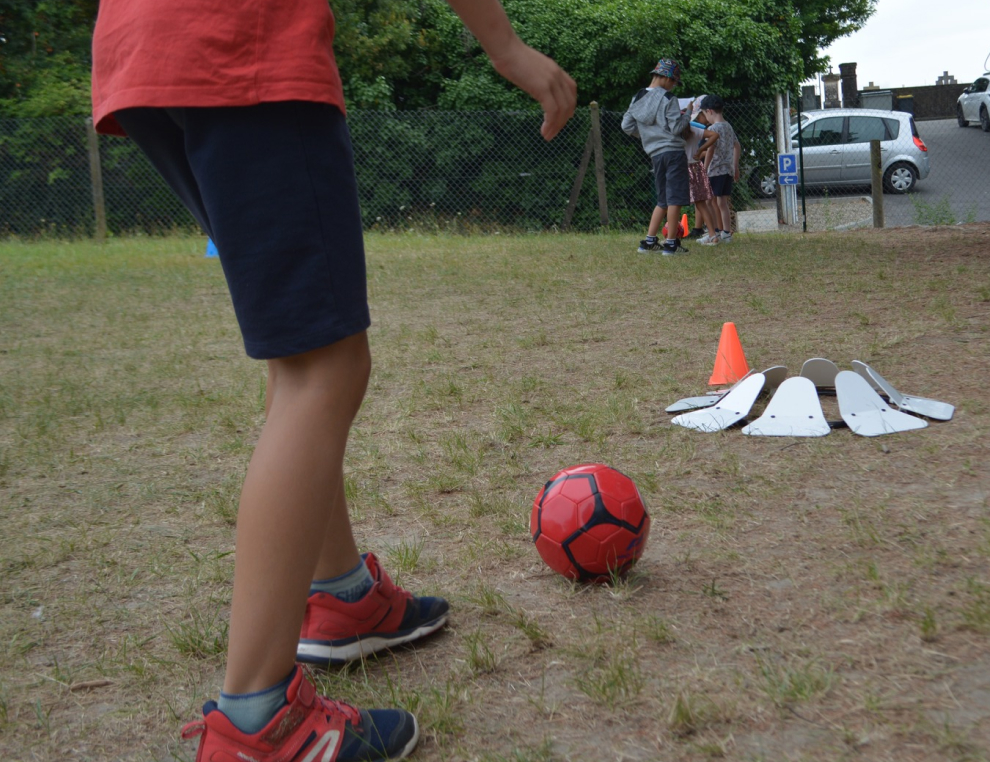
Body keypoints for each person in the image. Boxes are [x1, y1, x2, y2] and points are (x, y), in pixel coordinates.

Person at [90, 1, 575, 760]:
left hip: (146, 50)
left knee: (301, 351)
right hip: (243, 42)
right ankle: (257, 723)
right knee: (328, 366)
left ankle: (343, 596)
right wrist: (505, 45)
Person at [622, 58, 691, 256]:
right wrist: (688, 114)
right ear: (667, 78)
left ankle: (649, 241)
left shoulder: (637, 98)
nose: (674, 86)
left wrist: (647, 135)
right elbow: (677, 128)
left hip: (655, 154)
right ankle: (671, 244)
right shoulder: (669, 99)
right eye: (675, 82)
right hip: (673, 152)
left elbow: (626, 126)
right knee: (674, 198)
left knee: (662, 198)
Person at [699, 95, 740, 243]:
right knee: (722, 203)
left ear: (709, 111)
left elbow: (710, 150)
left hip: (715, 171)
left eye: (704, 114)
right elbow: (737, 146)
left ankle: (714, 232)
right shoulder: (728, 126)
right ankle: (726, 234)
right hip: (727, 171)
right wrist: (735, 166)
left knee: (709, 202)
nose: (705, 118)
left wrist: (704, 168)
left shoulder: (713, 128)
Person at [684, 106, 719, 243]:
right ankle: (712, 235)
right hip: (696, 167)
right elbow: (714, 135)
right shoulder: (693, 129)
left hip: (681, 169)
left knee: (673, 203)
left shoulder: (673, 132)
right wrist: (700, 150)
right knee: (701, 203)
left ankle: (671, 238)